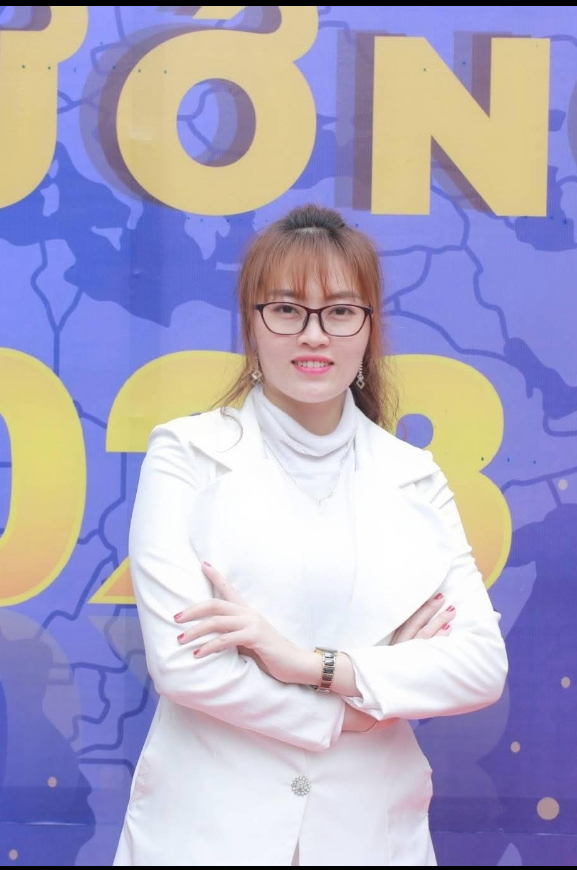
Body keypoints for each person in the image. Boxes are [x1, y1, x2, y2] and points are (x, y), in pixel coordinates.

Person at [113, 204, 507, 867]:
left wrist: (310, 665)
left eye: (340, 311)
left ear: (368, 328)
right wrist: (353, 710)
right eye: (287, 310)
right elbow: (184, 666)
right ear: (251, 323)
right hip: (207, 833)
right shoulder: (186, 454)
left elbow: (479, 666)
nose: (314, 335)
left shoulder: (413, 476)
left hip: (369, 833)